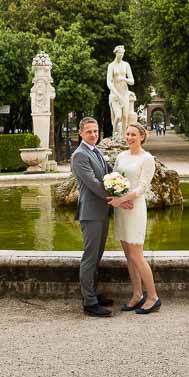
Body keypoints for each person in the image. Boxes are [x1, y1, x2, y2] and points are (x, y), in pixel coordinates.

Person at [70, 116, 130, 317]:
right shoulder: (79, 155)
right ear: (81, 133)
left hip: (102, 212)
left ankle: (92, 293)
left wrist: (123, 189)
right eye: (89, 132)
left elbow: (109, 174)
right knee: (90, 257)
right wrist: (118, 200)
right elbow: (94, 183)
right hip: (91, 213)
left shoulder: (97, 151)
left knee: (97, 256)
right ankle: (89, 302)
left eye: (95, 131)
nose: (93, 134)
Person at [113, 123, 161, 314]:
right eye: (128, 134)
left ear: (142, 136)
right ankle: (137, 294)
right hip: (121, 208)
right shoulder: (121, 156)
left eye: (134, 134)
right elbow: (114, 177)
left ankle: (153, 297)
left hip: (134, 208)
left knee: (137, 255)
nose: (130, 137)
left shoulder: (147, 158)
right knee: (128, 256)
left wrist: (124, 199)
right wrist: (117, 198)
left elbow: (143, 187)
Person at [106, 45, 135, 140]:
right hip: (115, 94)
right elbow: (109, 82)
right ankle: (114, 134)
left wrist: (123, 78)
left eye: (123, 53)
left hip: (124, 93)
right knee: (118, 116)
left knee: (125, 117)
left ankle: (123, 138)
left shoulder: (126, 65)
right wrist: (116, 93)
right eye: (119, 53)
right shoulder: (111, 66)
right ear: (116, 53)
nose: (121, 55)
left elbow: (132, 81)